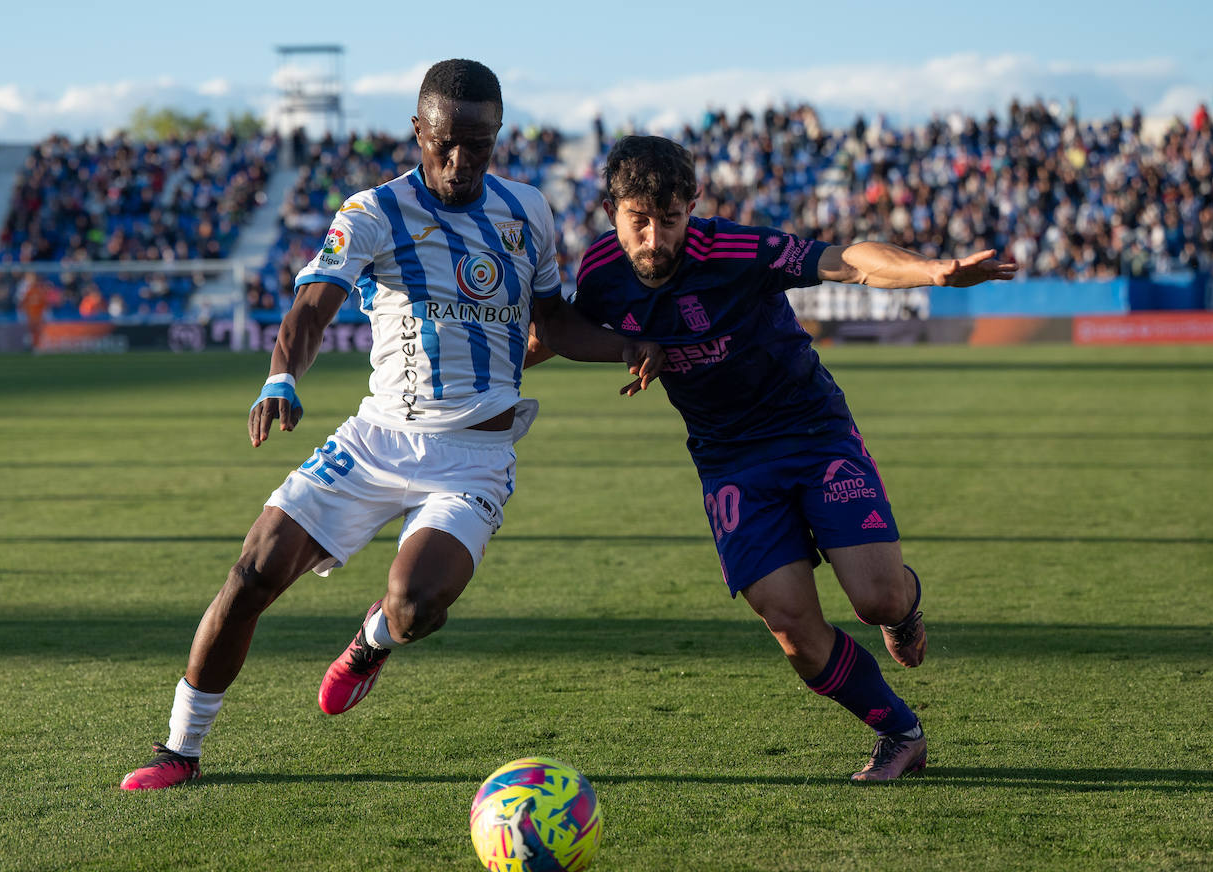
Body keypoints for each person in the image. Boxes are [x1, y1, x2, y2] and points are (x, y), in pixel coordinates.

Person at [120, 60, 659, 790]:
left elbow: (554, 319)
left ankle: (373, 639)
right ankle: (179, 751)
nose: (464, 161)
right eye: (448, 142)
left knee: (414, 606)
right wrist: (282, 375)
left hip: (473, 455)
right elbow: (314, 303)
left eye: (481, 143)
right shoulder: (372, 212)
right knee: (252, 573)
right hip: (376, 439)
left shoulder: (527, 209)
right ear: (418, 131)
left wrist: (626, 346)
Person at [566, 136, 1017, 782]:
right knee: (792, 627)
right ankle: (900, 731)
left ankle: (904, 606)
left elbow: (847, 261)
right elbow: (563, 331)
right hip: (728, 461)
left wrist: (934, 271)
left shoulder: (736, 250)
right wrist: (622, 346)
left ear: (694, 204)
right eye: (638, 217)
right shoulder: (600, 272)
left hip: (811, 431)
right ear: (611, 208)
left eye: (670, 217)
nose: (654, 235)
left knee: (877, 599)